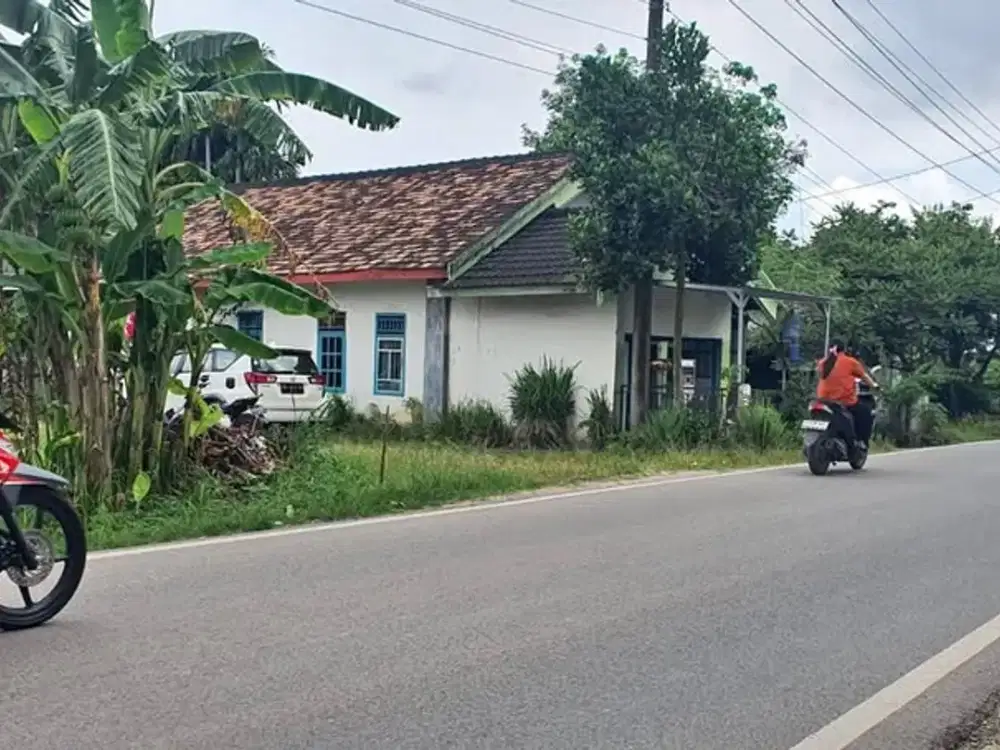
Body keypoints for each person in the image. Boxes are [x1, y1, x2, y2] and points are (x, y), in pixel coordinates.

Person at [816, 340, 879, 448]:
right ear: (844, 350)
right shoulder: (850, 362)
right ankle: (861, 442)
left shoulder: (823, 362)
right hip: (843, 401)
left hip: (822, 399)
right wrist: (874, 386)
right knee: (865, 413)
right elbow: (864, 377)